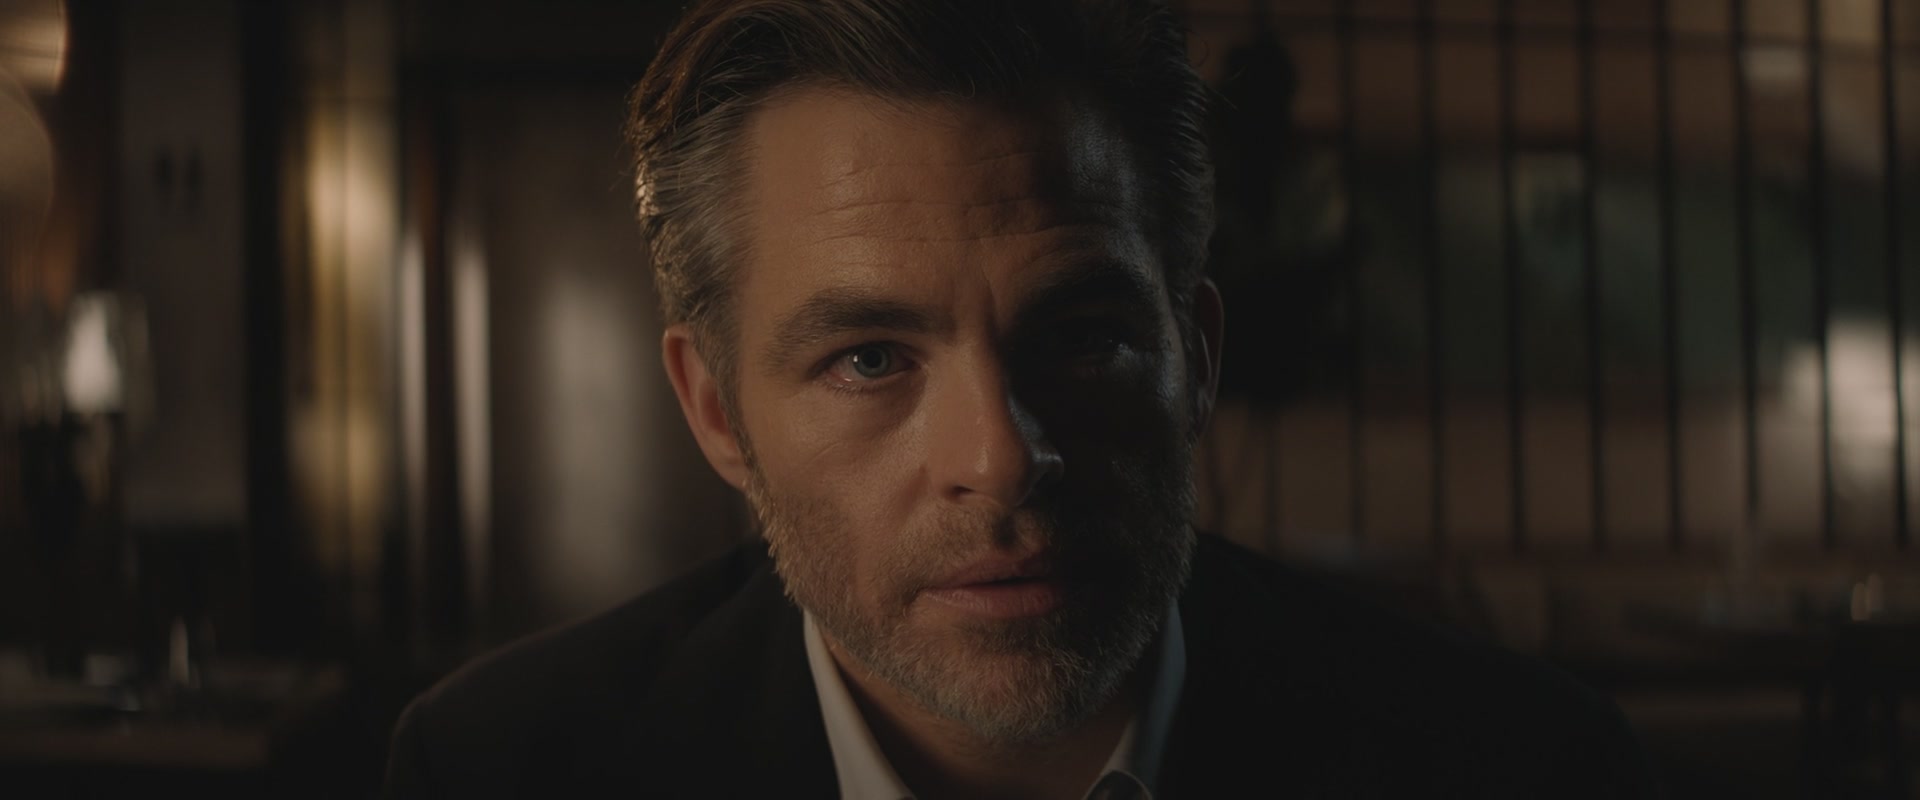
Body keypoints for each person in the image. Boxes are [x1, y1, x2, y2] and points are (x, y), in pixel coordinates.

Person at [383, 0, 1654, 796]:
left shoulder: (1521, 766)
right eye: (870, 358)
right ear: (716, 410)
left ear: (1196, 357)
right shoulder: (502, 770)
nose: (999, 455)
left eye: (1085, 337)